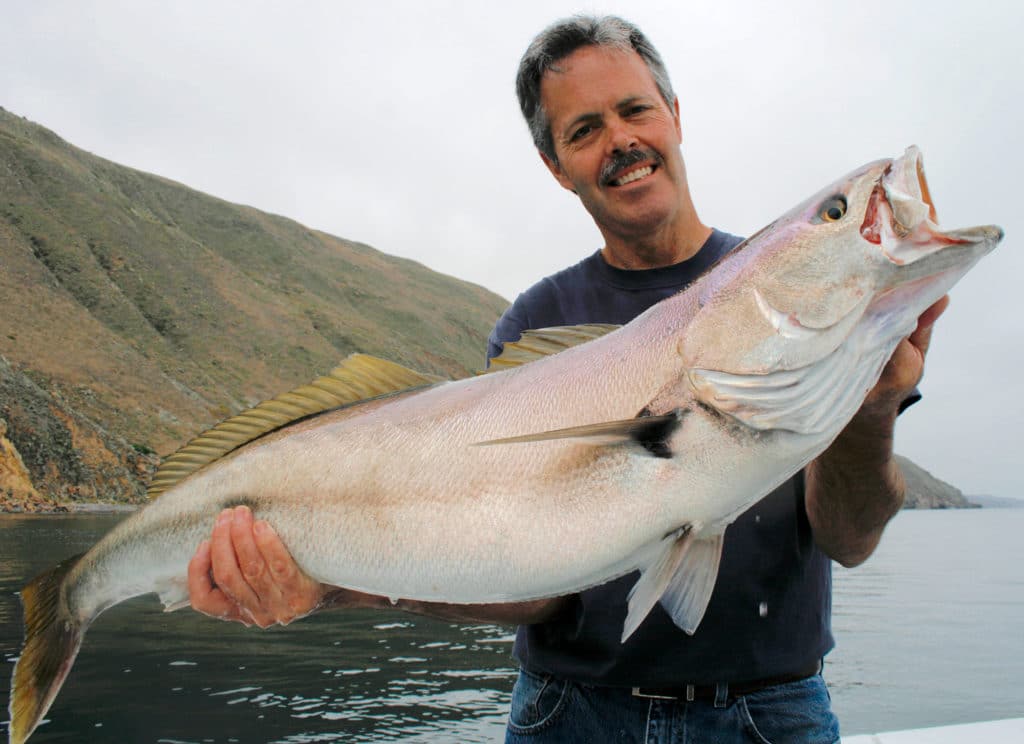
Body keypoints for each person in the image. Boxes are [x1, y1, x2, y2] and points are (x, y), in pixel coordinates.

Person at [187, 15, 948, 743]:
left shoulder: (796, 296)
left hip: (771, 713)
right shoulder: (538, 325)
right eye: (584, 131)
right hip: (572, 714)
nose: (620, 141)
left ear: (675, 115)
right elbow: (533, 580)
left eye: (635, 110)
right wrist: (330, 582)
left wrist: (873, 408)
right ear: (556, 166)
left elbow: (849, 540)